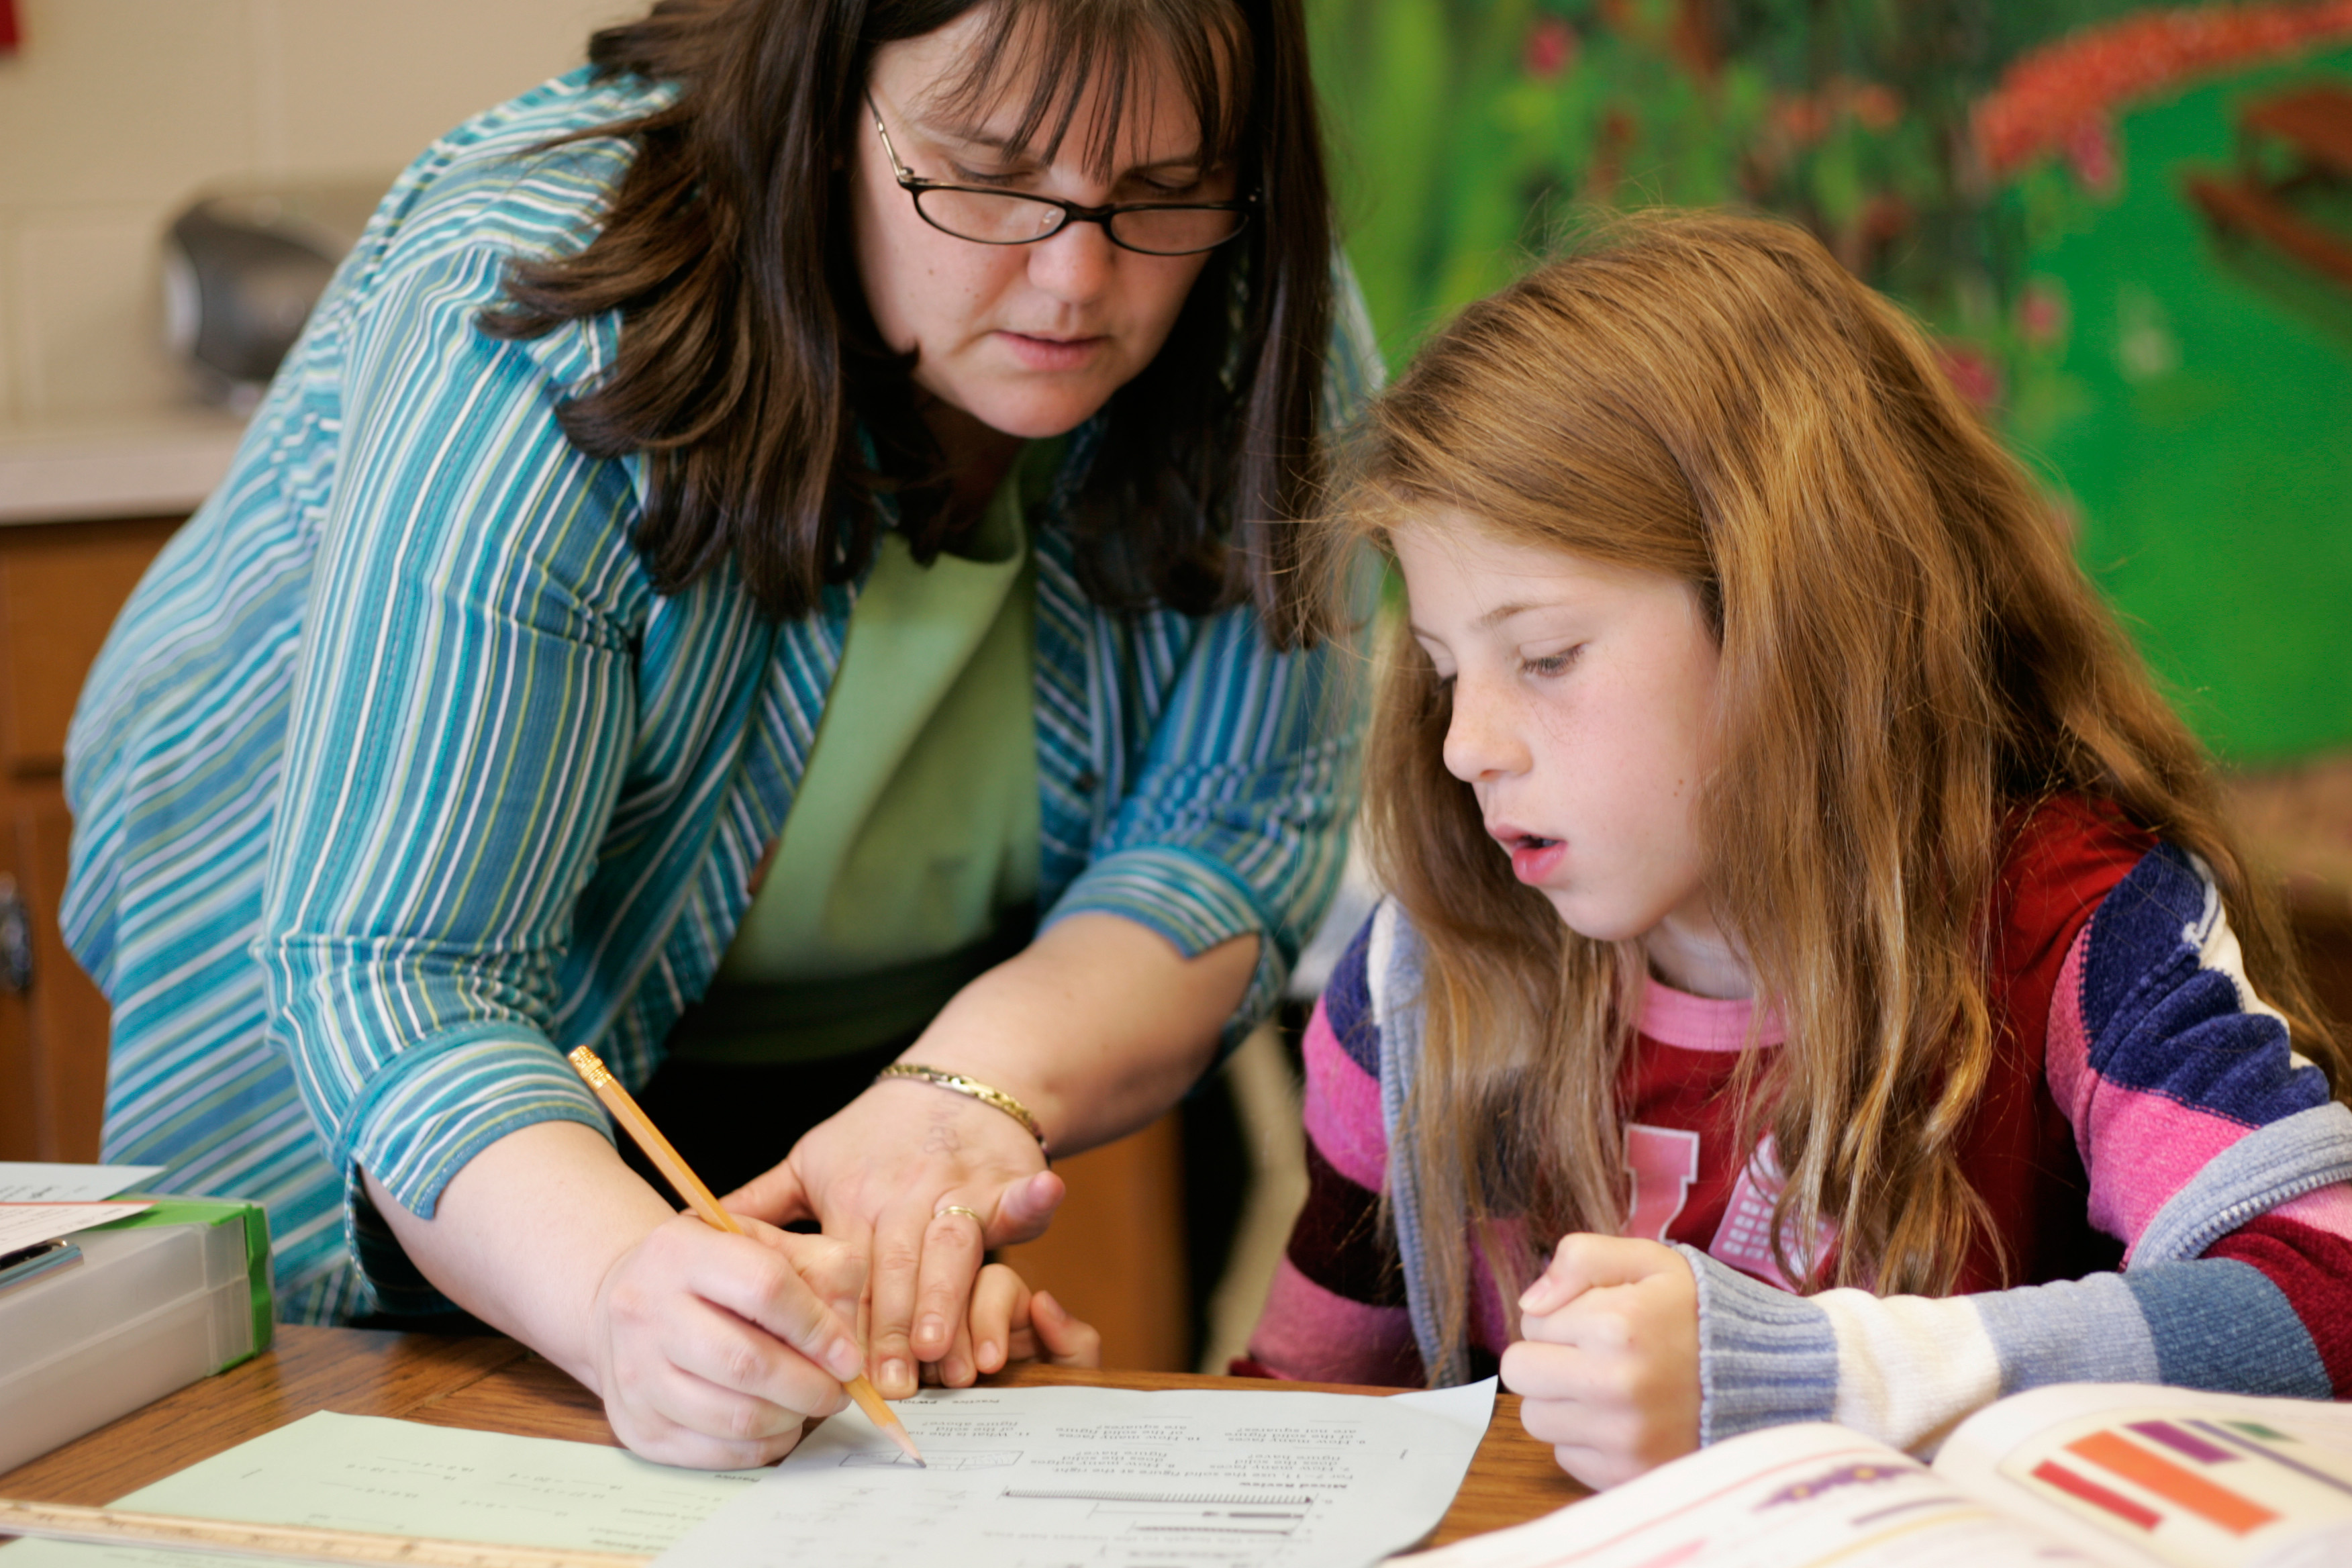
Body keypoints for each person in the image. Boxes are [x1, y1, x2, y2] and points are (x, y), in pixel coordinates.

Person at [64, 0, 1376, 1469]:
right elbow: (401, 966)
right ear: (830, 99)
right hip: (433, 1074)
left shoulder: (1247, 300)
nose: (1079, 276)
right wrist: (623, 1290)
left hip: (904, 1053)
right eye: (989, 173)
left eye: (1160, 190)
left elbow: (1230, 834)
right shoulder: (542, 312)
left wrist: (960, 1099)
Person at [1244, 212, 2352, 1487]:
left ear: (1799, 623)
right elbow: (1292, 1434)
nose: (1466, 747)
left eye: (1544, 657)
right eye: (1444, 673)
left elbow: (2321, 1303)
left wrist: (1826, 1377)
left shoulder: (2085, 932)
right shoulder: (1420, 986)